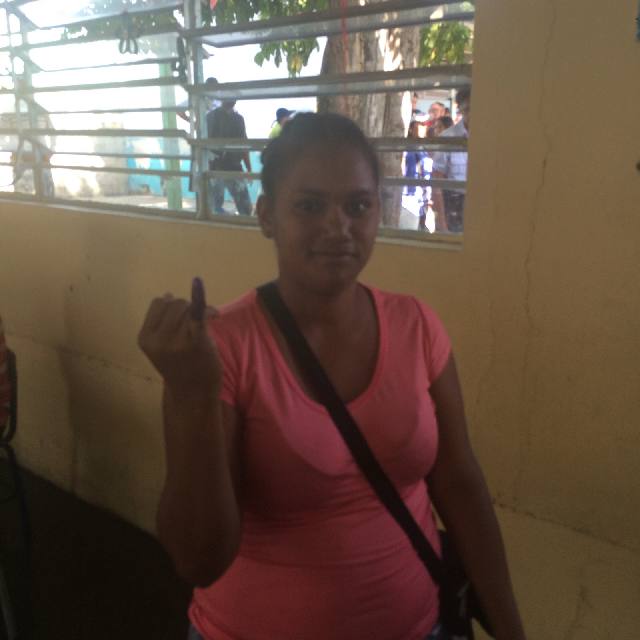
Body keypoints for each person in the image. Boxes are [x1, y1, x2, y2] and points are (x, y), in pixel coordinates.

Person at [138, 113, 526, 640]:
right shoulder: (222, 349)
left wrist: (510, 629)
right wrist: (191, 396)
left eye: (358, 205)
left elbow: (460, 485)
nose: (337, 226)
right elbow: (198, 559)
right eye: (310, 205)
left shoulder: (417, 327)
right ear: (267, 216)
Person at [431, 87, 471, 233]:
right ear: (460, 109)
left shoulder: (489, 138)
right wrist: (441, 221)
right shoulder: (448, 138)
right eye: (467, 109)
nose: (472, 113)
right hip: (453, 206)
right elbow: (437, 182)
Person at [206, 99, 252, 216]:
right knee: (242, 207)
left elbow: (243, 145)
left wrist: (249, 169)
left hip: (219, 166)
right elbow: (244, 146)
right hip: (224, 166)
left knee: (215, 207)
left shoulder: (210, 117)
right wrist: (249, 169)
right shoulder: (235, 119)